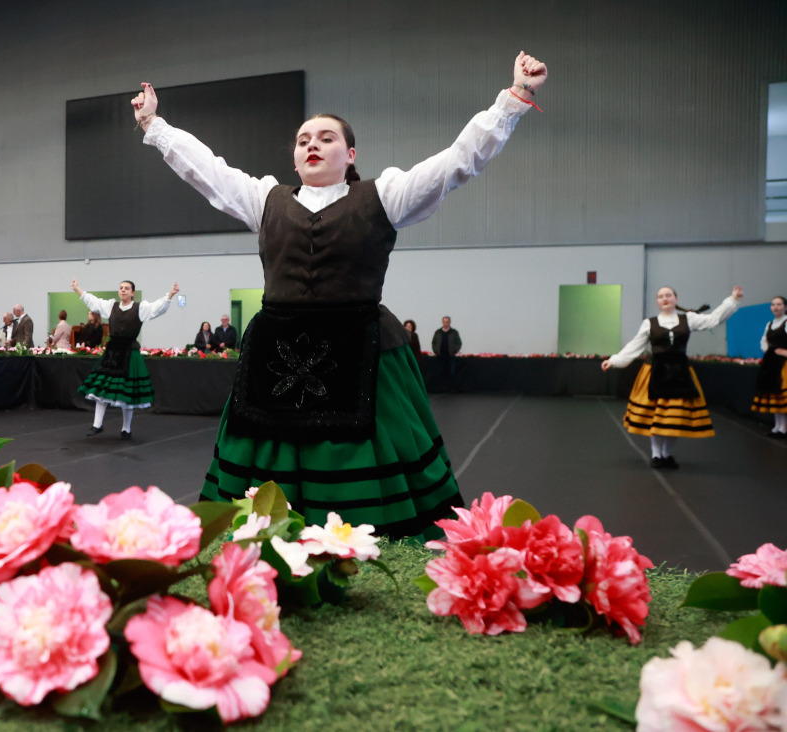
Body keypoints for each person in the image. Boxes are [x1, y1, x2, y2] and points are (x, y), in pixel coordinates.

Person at [131, 51, 548, 538]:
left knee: (368, 454)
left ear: (350, 155)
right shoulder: (266, 200)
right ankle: (270, 533)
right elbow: (206, 169)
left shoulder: (384, 195)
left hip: (362, 348)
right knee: (266, 466)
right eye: (303, 140)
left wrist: (514, 98)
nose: (313, 145)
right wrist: (154, 126)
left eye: (327, 138)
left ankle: (365, 539)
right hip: (276, 355)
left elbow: (457, 162)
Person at [602, 285, 743, 468]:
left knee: (674, 418)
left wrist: (732, 300)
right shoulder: (649, 323)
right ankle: (656, 454)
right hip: (655, 373)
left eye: (668, 295)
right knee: (657, 416)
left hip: (679, 374)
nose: (665, 298)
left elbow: (713, 320)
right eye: (660, 296)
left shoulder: (688, 319)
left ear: (676, 299)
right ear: (657, 301)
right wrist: (615, 360)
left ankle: (667, 454)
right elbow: (634, 346)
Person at [72, 278, 178, 439]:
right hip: (113, 353)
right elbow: (94, 302)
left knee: (127, 394)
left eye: (126, 288)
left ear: (132, 292)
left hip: (129, 353)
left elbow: (157, 308)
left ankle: (126, 429)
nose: (123, 290)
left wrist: (170, 295)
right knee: (102, 388)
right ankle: (97, 425)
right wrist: (77, 290)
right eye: (121, 288)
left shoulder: (140, 308)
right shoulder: (111, 306)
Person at [750, 295, 787, 438]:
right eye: (773, 305)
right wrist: (769, 350)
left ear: (785, 307)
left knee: (782, 395)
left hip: (784, 365)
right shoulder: (770, 324)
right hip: (772, 364)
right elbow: (764, 341)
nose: (775, 307)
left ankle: (784, 427)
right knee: (774, 395)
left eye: (779, 304)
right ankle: (778, 425)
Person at [430, 316, 462, 392]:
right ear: (442, 322)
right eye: (444, 321)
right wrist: (435, 351)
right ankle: (440, 389)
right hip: (440, 356)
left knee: (450, 372)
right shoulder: (438, 332)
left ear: (449, 322)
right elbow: (433, 342)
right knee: (440, 372)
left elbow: (459, 343)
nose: (446, 323)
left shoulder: (454, 332)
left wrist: (454, 351)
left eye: (447, 321)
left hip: (450, 356)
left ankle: (451, 389)